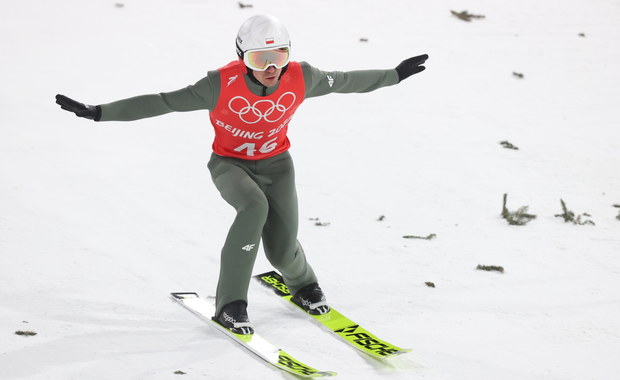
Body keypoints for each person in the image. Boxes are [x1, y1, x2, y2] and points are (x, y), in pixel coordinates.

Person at [55, 14, 428, 335]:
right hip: (229, 166)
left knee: (282, 249)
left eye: (279, 55)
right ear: (242, 57)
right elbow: (164, 101)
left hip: (278, 166)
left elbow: (344, 80)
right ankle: (231, 303)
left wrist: (393, 75)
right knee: (253, 208)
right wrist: (100, 112)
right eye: (259, 57)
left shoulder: (301, 77)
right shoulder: (219, 84)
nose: (270, 66)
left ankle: (303, 283)